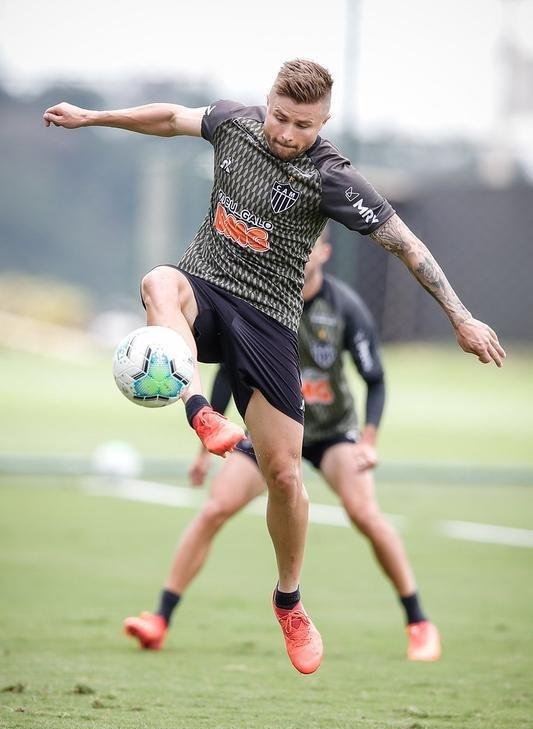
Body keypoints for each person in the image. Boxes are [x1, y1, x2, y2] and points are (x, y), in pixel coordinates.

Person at [43, 59, 504, 674]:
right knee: (159, 281)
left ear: (325, 121)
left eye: (303, 125)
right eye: (281, 117)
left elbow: (406, 245)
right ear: (267, 102)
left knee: (285, 477)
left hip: (267, 324)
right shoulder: (235, 123)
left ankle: (289, 600)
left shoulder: (332, 177)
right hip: (205, 292)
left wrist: (461, 316)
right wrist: (94, 116)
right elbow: (170, 117)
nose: (287, 134)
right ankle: (199, 411)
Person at [123, 233, 441, 661]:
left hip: (330, 432)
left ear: (324, 252)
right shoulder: (261, 299)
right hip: (269, 432)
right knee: (215, 509)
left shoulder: (343, 306)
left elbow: (376, 379)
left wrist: (368, 441)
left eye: (310, 243)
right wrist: (203, 452)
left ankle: (418, 622)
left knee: (365, 513)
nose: (299, 248)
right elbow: (225, 373)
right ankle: (159, 618)